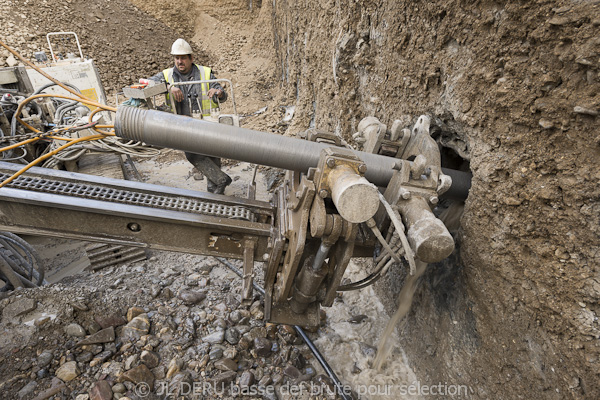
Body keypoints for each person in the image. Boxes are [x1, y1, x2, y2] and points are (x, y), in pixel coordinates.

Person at [149, 38, 232, 194]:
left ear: (191, 58)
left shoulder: (204, 72)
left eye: (183, 58)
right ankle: (221, 180)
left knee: (212, 151)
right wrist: (168, 88)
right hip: (182, 125)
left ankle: (215, 188)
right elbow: (147, 83)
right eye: (177, 58)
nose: (180, 61)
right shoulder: (167, 75)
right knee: (192, 154)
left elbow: (221, 92)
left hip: (206, 122)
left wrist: (218, 92)